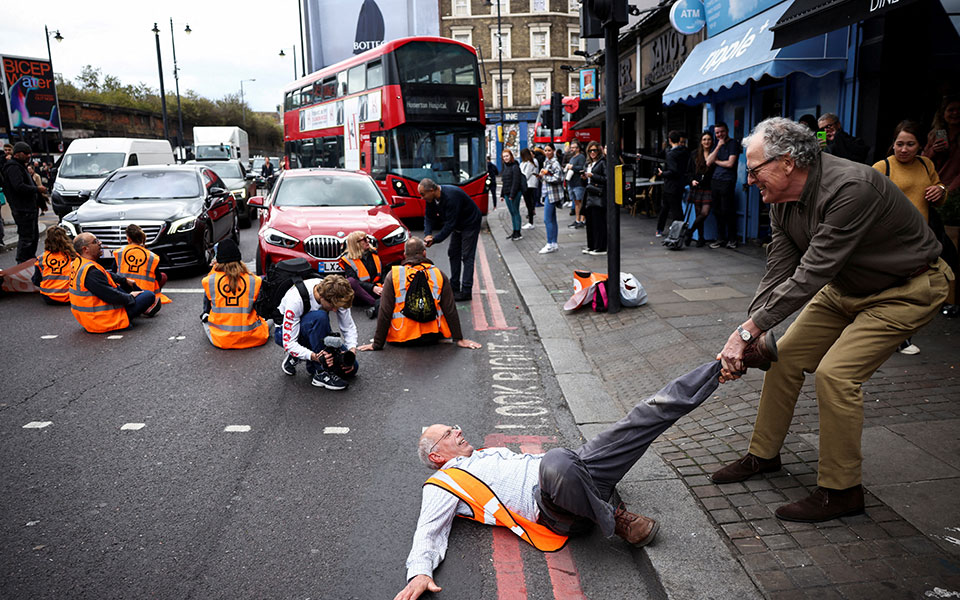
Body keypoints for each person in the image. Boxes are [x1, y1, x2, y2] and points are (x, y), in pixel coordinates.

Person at [712, 117, 952, 523]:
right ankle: (763, 456)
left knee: (836, 375)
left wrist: (745, 333)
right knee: (782, 358)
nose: (749, 181)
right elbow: (780, 268)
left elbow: (813, 272)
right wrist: (753, 330)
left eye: (753, 171)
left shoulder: (850, 188)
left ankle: (842, 491)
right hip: (846, 287)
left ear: (787, 162)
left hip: (907, 288)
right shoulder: (781, 199)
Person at [394, 352, 776, 600]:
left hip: (574, 473)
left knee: (644, 414)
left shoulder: (487, 452)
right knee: (558, 460)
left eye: (452, 427)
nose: (457, 430)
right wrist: (419, 573)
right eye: (447, 433)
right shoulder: (445, 482)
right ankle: (616, 520)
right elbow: (429, 530)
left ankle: (722, 367)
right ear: (437, 455)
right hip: (551, 508)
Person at [872, 120, 948, 355]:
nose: (904, 149)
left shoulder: (926, 165)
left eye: (910, 144)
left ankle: (900, 336)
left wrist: (941, 191)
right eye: (899, 144)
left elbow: (938, 192)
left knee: (912, 290)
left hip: (920, 239)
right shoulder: (882, 167)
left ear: (920, 146)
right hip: (890, 240)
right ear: (892, 144)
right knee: (891, 289)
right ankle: (893, 337)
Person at [358, 237, 481, 351]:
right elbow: (450, 308)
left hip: (401, 338)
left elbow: (385, 311)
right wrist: (459, 338)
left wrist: (377, 344)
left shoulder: (394, 275)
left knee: (380, 303)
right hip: (431, 337)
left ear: (405, 255)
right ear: (424, 253)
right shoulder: (438, 274)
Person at [275, 273, 359, 390]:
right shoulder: (295, 300)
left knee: (351, 368)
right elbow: (289, 343)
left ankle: (299, 355)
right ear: (323, 297)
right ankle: (320, 373)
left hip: (315, 331)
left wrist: (351, 351)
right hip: (285, 334)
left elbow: (348, 327)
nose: (335, 310)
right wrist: (315, 357)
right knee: (320, 316)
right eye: (333, 306)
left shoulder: (338, 293)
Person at [68, 233, 161, 333]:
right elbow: (110, 295)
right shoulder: (91, 272)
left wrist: (124, 280)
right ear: (85, 249)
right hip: (103, 319)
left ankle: (147, 306)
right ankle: (148, 306)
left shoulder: (79, 262)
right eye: (95, 242)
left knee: (129, 285)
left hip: (90, 316)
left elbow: (106, 273)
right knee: (148, 295)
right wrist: (131, 297)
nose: (100, 243)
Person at [923, 95, 960, 318]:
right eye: (950, 110)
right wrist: (935, 150)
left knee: (952, 249)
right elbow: (924, 162)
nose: (954, 114)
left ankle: (951, 299)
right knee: (940, 249)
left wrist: (950, 189)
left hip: (952, 195)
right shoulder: (936, 135)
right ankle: (939, 297)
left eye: (958, 109)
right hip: (937, 193)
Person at [201, 239, 271, 349]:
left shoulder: (209, 281)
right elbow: (262, 308)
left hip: (222, 339)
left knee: (205, 318)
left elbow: (207, 308)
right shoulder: (255, 280)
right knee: (270, 321)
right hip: (252, 337)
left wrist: (214, 268)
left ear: (218, 260)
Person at [419, 178, 482, 302]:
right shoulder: (431, 199)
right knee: (453, 253)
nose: (422, 198)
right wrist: (427, 234)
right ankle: (454, 287)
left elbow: (449, 225)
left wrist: (435, 239)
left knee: (467, 256)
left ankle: (466, 291)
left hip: (470, 223)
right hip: (458, 224)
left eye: (422, 194)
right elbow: (429, 217)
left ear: (431, 190)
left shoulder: (451, 197)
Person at [1, 142, 46, 264]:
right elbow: (19, 186)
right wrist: (37, 189)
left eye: (29, 153)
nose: (28, 156)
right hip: (23, 209)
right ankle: (22, 263)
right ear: (17, 154)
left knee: (32, 237)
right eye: (25, 153)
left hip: (28, 208)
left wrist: (41, 202)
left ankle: (29, 261)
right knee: (27, 238)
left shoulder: (20, 166)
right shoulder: (13, 167)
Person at [113, 224, 171, 305]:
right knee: (163, 276)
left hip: (124, 291)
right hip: (146, 293)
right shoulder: (151, 256)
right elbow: (158, 277)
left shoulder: (120, 253)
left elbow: (113, 273)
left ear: (128, 239)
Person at [706, 123, 741, 249]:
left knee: (727, 210)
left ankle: (732, 239)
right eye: (717, 133)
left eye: (722, 132)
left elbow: (730, 163)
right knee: (717, 211)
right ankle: (720, 238)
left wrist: (716, 161)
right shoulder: (716, 145)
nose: (720, 135)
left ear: (727, 131)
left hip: (727, 180)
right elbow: (708, 162)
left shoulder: (733, 144)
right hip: (715, 180)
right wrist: (718, 147)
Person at [338, 230, 383, 317]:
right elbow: (355, 282)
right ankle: (376, 304)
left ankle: (379, 306)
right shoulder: (348, 259)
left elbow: (382, 272)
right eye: (365, 240)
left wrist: (384, 284)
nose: (368, 241)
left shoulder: (373, 253)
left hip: (378, 288)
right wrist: (372, 288)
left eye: (368, 238)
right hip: (361, 294)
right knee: (350, 281)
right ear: (356, 244)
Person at [656, 130, 691, 237]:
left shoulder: (671, 154)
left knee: (674, 210)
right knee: (669, 207)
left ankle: (677, 233)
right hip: (680, 184)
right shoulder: (685, 151)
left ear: (669, 140)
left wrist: (662, 174)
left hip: (671, 186)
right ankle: (661, 228)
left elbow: (673, 171)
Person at [33, 226, 80, 305]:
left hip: (48, 297)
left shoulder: (41, 258)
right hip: (70, 296)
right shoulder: (75, 256)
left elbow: (36, 280)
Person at [686, 131, 715, 247]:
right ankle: (701, 238)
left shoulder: (714, 153)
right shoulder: (694, 154)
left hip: (709, 188)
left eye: (708, 139)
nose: (706, 141)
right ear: (701, 142)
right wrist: (691, 180)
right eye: (704, 139)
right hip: (697, 187)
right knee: (699, 213)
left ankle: (690, 232)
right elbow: (688, 172)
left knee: (704, 212)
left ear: (712, 141)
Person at [581, 141, 607, 256]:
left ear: (599, 151)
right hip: (589, 194)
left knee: (598, 222)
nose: (592, 153)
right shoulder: (588, 164)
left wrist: (593, 176)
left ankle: (600, 247)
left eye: (594, 150)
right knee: (590, 221)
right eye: (590, 150)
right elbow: (587, 182)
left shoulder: (602, 163)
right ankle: (591, 245)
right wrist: (584, 177)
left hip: (598, 195)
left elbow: (607, 179)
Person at [537, 143, 564, 254]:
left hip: (552, 194)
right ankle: (554, 243)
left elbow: (559, 178)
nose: (547, 152)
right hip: (547, 192)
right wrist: (540, 177)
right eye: (546, 150)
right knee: (552, 219)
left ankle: (549, 244)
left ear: (553, 151)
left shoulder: (555, 163)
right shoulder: (546, 162)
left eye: (549, 150)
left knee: (547, 219)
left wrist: (545, 177)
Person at [499, 149, 525, 241]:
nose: (506, 158)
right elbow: (504, 182)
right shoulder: (505, 167)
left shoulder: (515, 167)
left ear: (511, 156)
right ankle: (514, 231)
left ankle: (518, 232)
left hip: (514, 194)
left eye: (507, 156)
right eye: (504, 156)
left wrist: (512, 195)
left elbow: (516, 182)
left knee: (515, 212)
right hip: (507, 193)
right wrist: (502, 195)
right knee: (512, 213)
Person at [564, 140, 586, 229]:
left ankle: (582, 220)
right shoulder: (572, 158)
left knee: (580, 201)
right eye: (571, 147)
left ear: (578, 148)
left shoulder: (581, 157)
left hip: (579, 183)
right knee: (576, 202)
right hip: (571, 182)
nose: (572, 149)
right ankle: (577, 220)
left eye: (574, 147)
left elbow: (582, 168)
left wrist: (572, 167)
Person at [519, 148, 539, 230]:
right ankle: (530, 221)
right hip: (527, 184)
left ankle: (531, 222)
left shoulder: (530, 163)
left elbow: (526, 174)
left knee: (529, 203)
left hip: (529, 184)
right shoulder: (525, 162)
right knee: (528, 203)